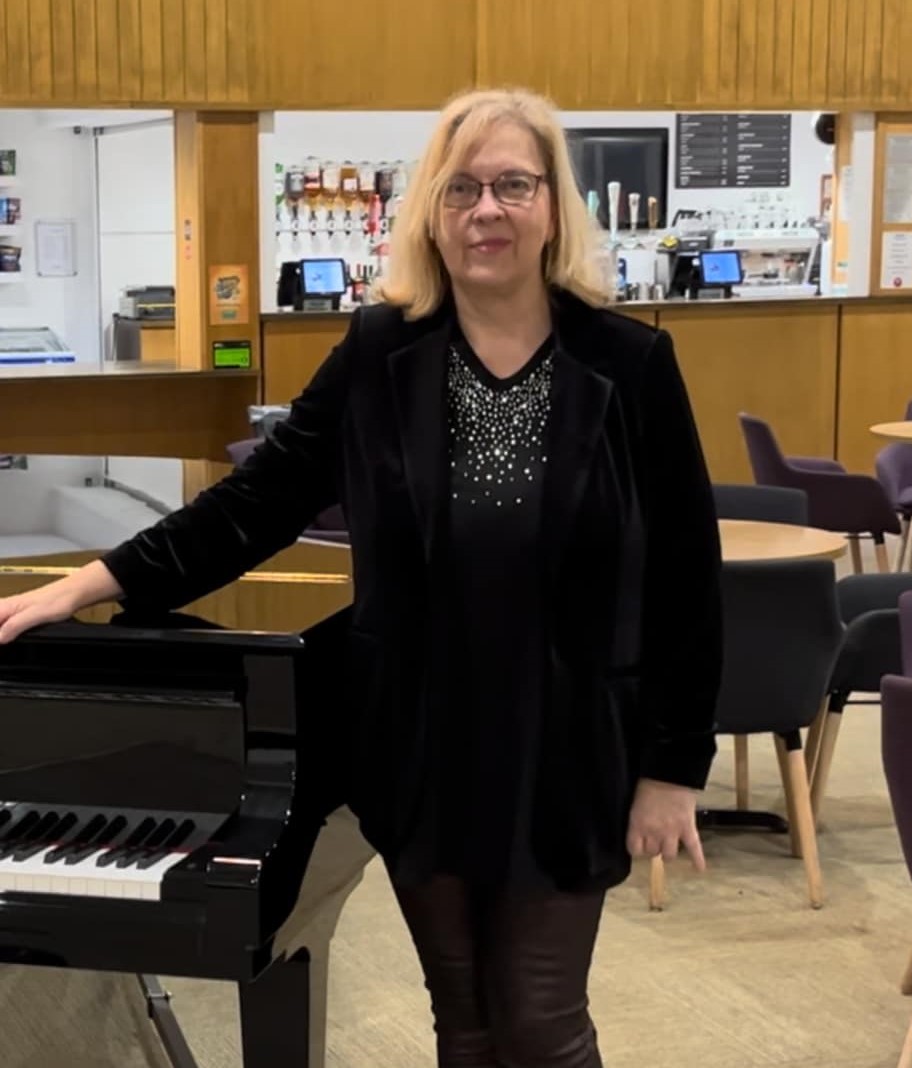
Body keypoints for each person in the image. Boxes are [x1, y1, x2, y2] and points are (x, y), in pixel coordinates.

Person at [0, 88, 722, 1067]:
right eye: (461, 188)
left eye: (513, 184)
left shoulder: (628, 363)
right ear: (430, 207)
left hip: (565, 748)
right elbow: (258, 503)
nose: (486, 211)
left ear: (553, 203)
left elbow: (686, 575)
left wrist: (672, 766)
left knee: (541, 1023)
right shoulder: (382, 351)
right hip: (418, 745)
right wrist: (90, 581)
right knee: (462, 1020)